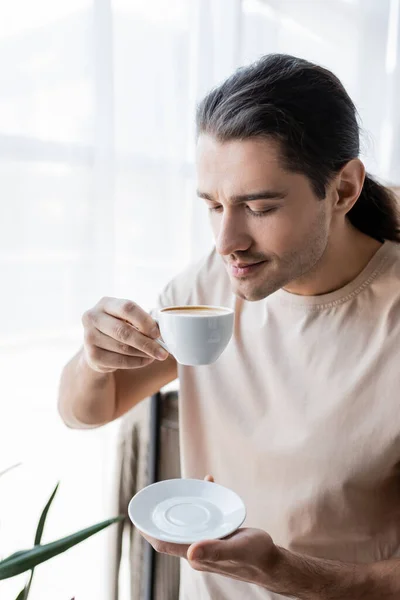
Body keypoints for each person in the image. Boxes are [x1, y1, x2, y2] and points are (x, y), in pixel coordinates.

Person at [58, 54, 400, 599]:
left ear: (343, 190)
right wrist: (94, 359)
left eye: (259, 208)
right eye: (214, 205)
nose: (227, 243)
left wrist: (285, 572)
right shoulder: (203, 293)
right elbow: (85, 411)